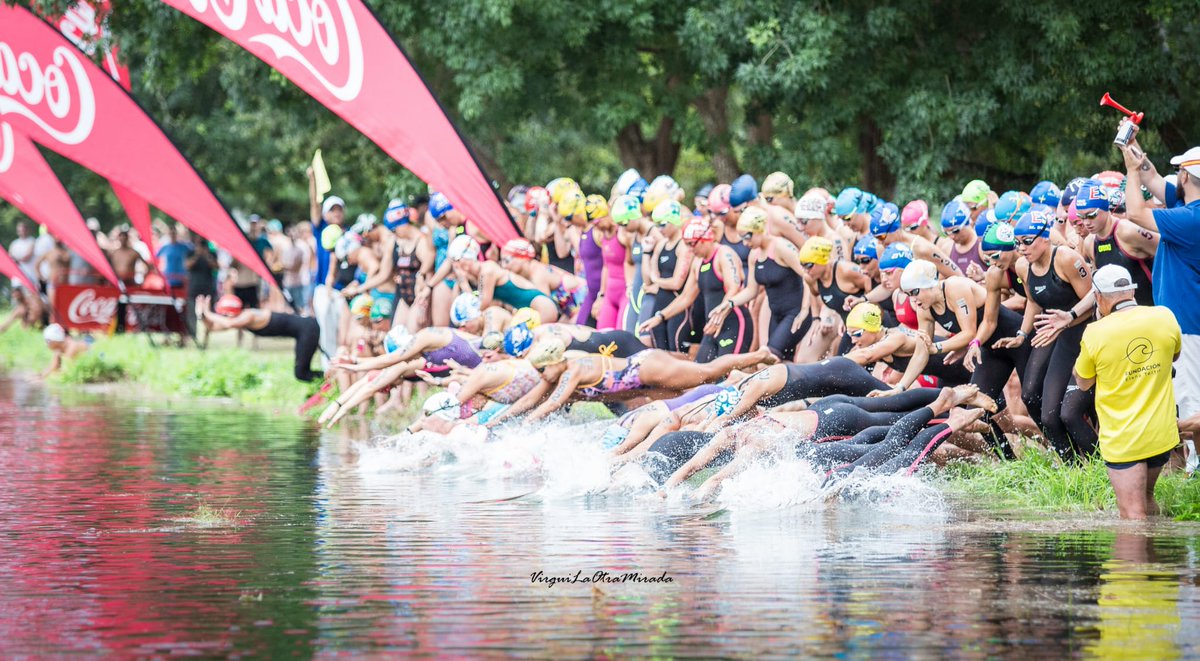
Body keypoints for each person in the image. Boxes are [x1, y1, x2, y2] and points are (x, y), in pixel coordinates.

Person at [1073, 265, 1181, 519]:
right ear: (1132, 290)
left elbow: (1083, 383)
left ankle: (1140, 559)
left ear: (1098, 297)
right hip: (1160, 433)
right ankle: (1162, 557)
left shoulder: (1095, 332)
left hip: (1124, 438)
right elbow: (1174, 355)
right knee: (1146, 500)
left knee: (1133, 515)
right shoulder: (1164, 316)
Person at [1119, 139, 1200, 442]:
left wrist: (1129, 170)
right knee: (1186, 397)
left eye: (1178, 170)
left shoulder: (1192, 219)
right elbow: (1151, 177)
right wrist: (1133, 148)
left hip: (1189, 323)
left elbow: (1136, 214)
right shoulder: (1186, 207)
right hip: (1186, 318)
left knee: (1191, 400)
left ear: (1183, 177)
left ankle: (1195, 471)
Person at [195, 294, 323, 382]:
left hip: (308, 328)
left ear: (228, 313)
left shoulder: (249, 316)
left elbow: (228, 323)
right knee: (301, 373)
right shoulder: (240, 319)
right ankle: (326, 382)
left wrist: (208, 312)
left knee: (301, 373)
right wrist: (202, 315)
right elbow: (213, 328)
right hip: (303, 331)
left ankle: (330, 379)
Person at [156, 225, 195, 291]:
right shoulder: (165, 247)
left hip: (181, 279)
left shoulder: (184, 247)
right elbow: (155, 258)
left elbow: (194, 252)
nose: (172, 235)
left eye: (174, 233)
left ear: (176, 234)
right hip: (168, 278)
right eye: (171, 233)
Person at [9, 222, 37, 288]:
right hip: (18, 278)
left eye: (23, 230)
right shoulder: (14, 244)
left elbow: (27, 257)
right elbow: (9, 257)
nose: (22, 232)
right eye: (20, 231)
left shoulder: (32, 241)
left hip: (31, 275)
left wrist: (16, 259)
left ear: (27, 230)